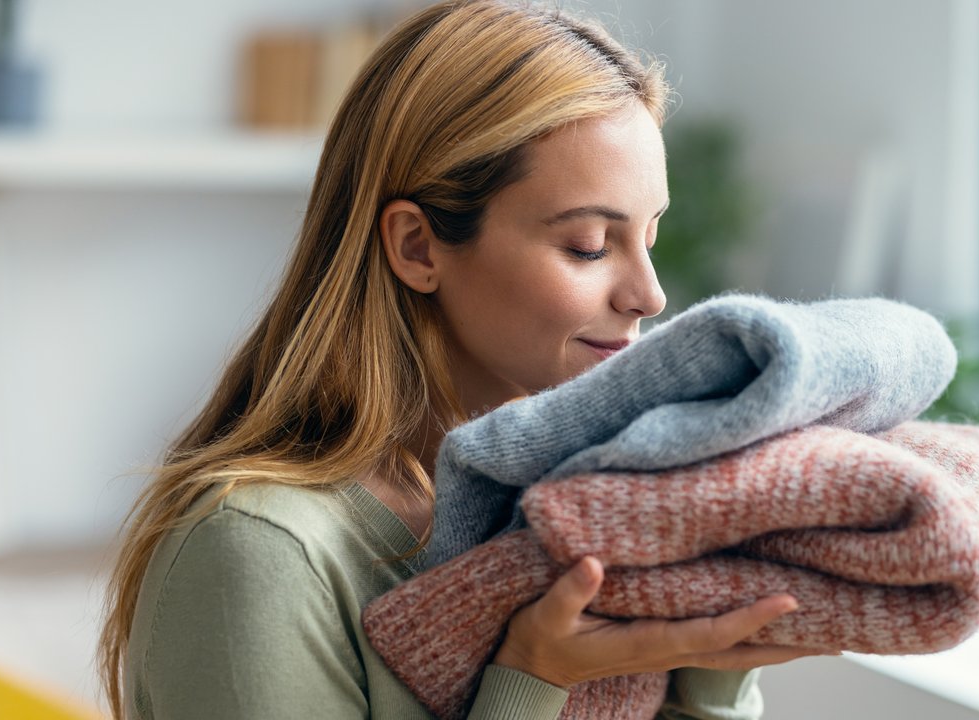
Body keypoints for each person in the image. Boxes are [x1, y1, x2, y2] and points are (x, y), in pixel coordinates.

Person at [97, 1, 834, 717]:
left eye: (649, 239)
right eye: (588, 246)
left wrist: (709, 665)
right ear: (418, 246)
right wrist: (532, 677)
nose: (650, 295)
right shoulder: (257, 553)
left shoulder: (576, 509)